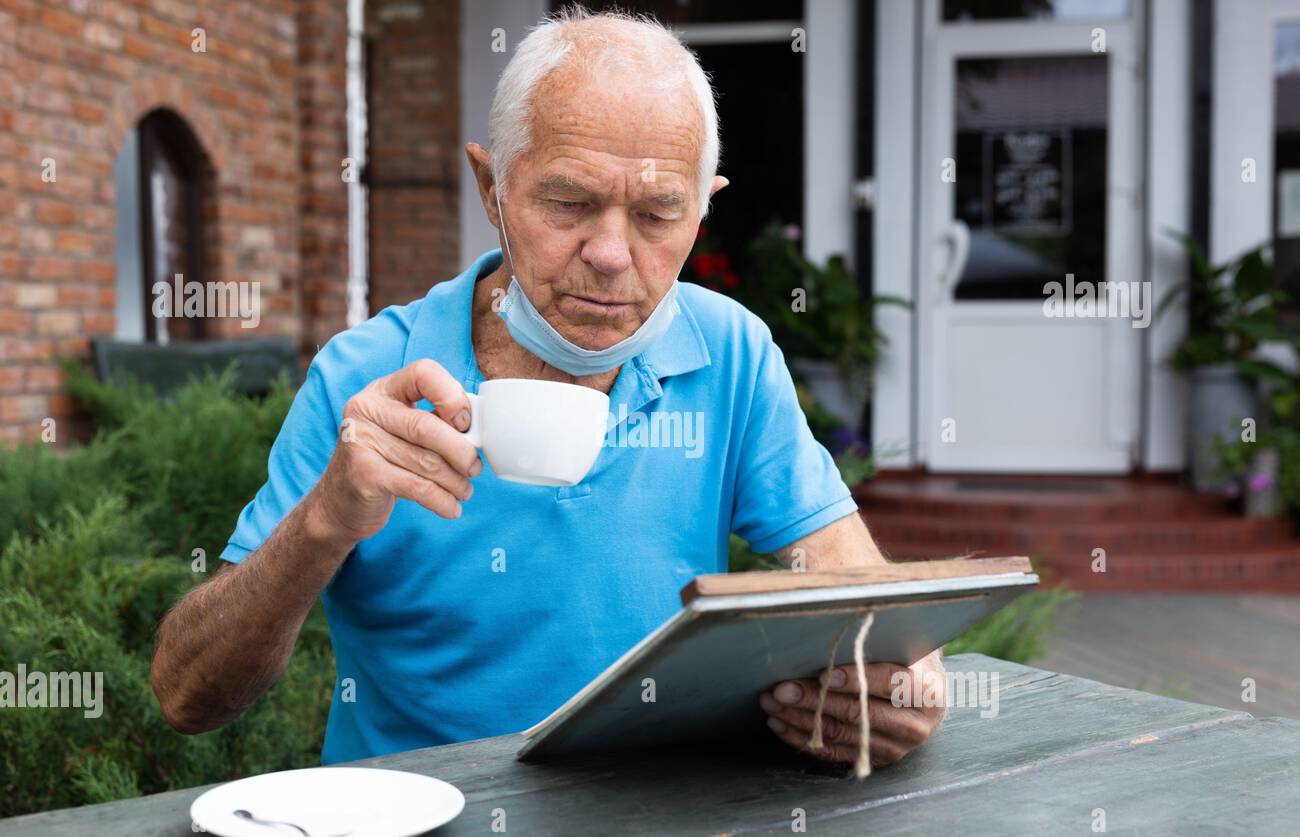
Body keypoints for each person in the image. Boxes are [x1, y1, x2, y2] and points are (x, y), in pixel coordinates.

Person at [152, 4, 946, 769]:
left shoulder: (730, 352)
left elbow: (854, 588)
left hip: (657, 828)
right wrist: (325, 521)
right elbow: (189, 698)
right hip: (424, 834)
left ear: (705, 209)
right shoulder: (364, 377)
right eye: (569, 202)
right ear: (491, 189)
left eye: (657, 213)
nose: (609, 252)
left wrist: (903, 679)